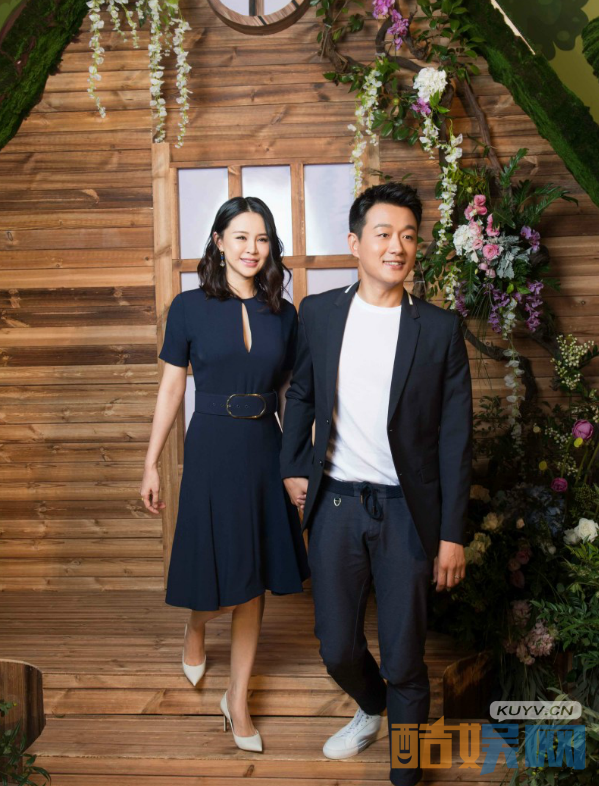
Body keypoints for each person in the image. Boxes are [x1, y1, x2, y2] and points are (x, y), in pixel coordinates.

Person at [280, 181, 473, 786]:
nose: (398, 247)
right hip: (336, 503)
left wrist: (451, 535)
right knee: (336, 646)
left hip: (406, 515)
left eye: (409, 236)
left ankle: (406, 774)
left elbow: (455, 439)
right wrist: (292, 465)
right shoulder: (319, 313)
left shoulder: (439, 329)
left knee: (406, 657)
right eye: (384, 234)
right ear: (355, 242)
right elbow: (302, 393)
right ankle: (372, 706)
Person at [141, 196, 310, 753]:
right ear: (218, 241)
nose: (251, 249)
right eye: (240, 237)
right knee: (217, 568)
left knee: (253, 575)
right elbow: (172, 387)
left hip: (265, 448)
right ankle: (196, 626)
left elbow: (290, 394)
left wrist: (296, 463)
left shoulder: (285, 314)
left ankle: (236, 699)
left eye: (261, 239)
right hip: (211, 448)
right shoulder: (188, 307)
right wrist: (150, 462)